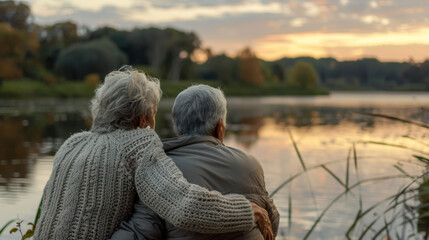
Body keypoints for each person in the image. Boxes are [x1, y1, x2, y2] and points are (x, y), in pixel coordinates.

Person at [34, 67, 273, 240]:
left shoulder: (72, 144)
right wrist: (246, 210)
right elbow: (184, 207)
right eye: (154, 114)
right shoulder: (138, 145)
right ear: (142, 120)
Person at [110, 85, 279, 240]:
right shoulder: (250, 164)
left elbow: (140, 233)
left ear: (177, 127)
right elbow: (272, 224)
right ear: (220, 127)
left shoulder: (159, 170)